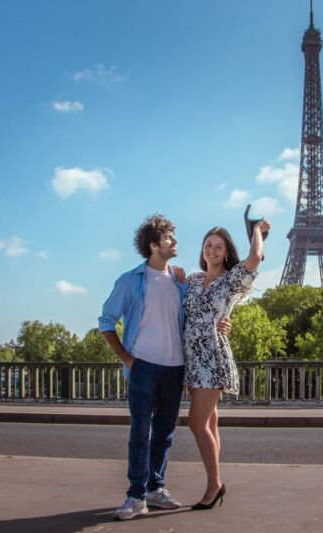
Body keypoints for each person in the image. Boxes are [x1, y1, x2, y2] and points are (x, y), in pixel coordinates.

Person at [99, 214, 230, 520]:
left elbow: (202, 315)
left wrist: (223, 323)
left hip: (175, 368)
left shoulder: (181, 283)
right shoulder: (131, 281)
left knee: (164, 434)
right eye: (170, 237)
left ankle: (155, 488)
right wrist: (127, 358)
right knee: (140, 432)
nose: (176, 241)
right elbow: (106, 322)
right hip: (144, 367)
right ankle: (135, 495)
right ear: (154, 244)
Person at [183, 218, 270, 510]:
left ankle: (214, 484)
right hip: (192, 359)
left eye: (219, 246)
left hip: (213, 357)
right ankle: (214, 481)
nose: (212, 250)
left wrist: (257, 230)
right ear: (202, 249)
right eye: (208, 245)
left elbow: (256, 258)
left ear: (226, 252)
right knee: (210, 421)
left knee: (196, 422)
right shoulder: (192, 280)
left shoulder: (231, 280)